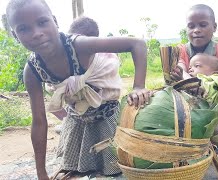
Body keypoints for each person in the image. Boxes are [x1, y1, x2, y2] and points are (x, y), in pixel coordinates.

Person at [6, 1, 150, 179]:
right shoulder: (33, 70)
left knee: (116, 168)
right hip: (77, 120)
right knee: (78, 170)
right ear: (14, 34)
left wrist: (138, 86)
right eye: (23, 29)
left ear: (55, 21)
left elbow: (137, 44)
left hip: (107, 116)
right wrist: (41, 173)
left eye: (42, 22)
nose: (36, 33)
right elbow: (39, 121)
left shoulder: (79, 45)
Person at [170, 4, 218, 157]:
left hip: (216, 110)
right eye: (191, 26)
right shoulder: (181, 50)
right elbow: (181, 69)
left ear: (214, 27)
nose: (196, 30)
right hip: (188, 109)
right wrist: (185, 77)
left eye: (203, 25)